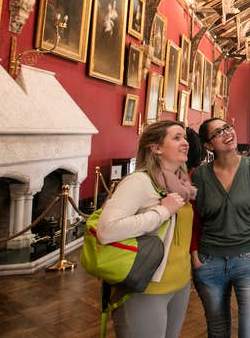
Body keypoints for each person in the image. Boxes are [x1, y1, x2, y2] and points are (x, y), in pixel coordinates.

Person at [96, 120, 196, 338]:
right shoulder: (139, 182)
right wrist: (161, 212)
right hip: (146, 286)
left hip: (179, 284)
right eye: (176, 137)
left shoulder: (182, 183)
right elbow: (107, 230)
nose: (185, 143)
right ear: (156, 148)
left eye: (185, 137)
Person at [191, 118, 250, 338]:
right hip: (209, 263)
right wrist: (195, 254)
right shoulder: (198, 176)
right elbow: (195, 220)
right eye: (218, 132)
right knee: (217, 332)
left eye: (228, 127)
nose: (227, 133)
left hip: (249, 260)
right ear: (208, 145)